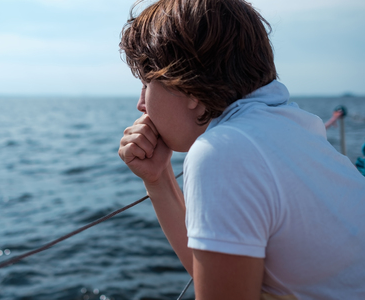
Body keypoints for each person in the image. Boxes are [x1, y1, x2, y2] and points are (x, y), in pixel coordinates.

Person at [118, 0, 365, 299]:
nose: (141, 104)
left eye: (146, 83)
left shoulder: (224, 151)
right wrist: (157, 179)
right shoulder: (297, 124)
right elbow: (222, 275)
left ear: (186, 86)